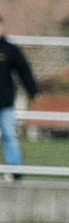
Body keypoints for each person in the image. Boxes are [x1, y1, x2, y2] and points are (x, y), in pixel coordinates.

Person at [0, 15, 39, 180]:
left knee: (9, 134)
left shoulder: (10, 49)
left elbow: (24, 70)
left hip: (5, 102)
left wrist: (33, 91)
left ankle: (15, 171)